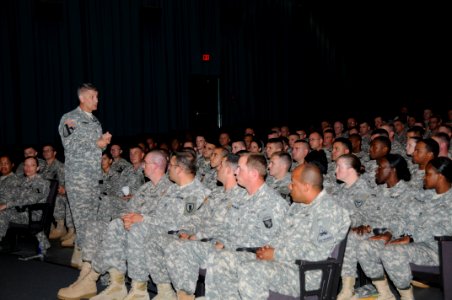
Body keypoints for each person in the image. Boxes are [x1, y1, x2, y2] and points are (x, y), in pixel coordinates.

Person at [206, 163, 350, 299]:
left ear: (306, 187)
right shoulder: (297, 206)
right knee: (222, 259)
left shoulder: (330, 212)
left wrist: (276, 254)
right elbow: (280, 236)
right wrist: (267, 249)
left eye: (293, 183)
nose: (289, 186)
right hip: (281, 264)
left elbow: (317, 254)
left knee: (251, 270)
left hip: (305, 274)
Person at [57, 150, 172, 300]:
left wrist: (140, 219)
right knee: (96, 227)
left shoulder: (170, 189)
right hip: (131, 227)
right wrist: (127, 218)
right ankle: (91, 277)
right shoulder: (146, 188)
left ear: (155, 165)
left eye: (146, 163)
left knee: (115, 228)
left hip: (148, 232)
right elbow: (128, 209)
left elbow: (168, 221)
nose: (143, 166)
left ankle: (92, 278)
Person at [357, 157, 452, 300]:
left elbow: (445, 231)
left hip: (439, 250)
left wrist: (411, 238)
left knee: (391, 251)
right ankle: (385, 294)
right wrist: (390, 233)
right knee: (366, 246)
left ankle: (407, 297)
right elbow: (403, 218)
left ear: (440, 176)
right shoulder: (422, 196)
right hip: (414, 245)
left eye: (428, 174)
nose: (424, 178)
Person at [58, 83, 112, 266]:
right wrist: (97, 144)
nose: (96, 100)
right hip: (78, 178)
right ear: (82, 98)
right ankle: (83, 259)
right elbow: (70, 146)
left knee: (92, 218)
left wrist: (103, 143)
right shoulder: (70, 119)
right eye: (92, 97)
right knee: (82, 219)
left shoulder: (95, 121)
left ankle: (81, 254)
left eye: (97, 97)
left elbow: (95, 149)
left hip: (93, 177)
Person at [0, 157, 50, 252]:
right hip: (20, 212)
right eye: (26, 165)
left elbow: (31, 199)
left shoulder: (42, 183)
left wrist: (6, 205)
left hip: (33, 215)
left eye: (32, 165)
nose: (28, 168)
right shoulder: (22, 182)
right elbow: (14, 196)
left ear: (37, 168)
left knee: (3, 213)